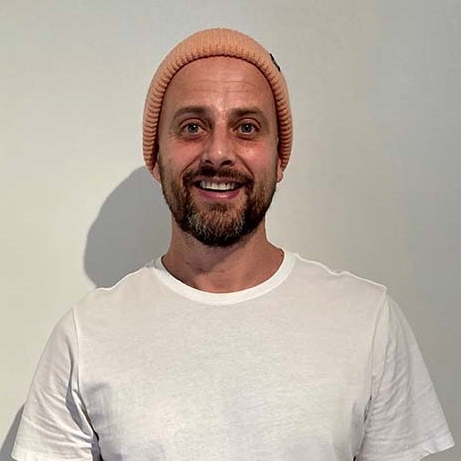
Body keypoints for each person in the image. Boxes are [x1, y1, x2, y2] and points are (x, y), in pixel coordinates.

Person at [12, 28, 454, 461]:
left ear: (280, 158)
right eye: (191, 127)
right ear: (155, 157)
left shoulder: (368, 321)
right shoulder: (85, 337)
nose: (218, 152)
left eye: (246, 127)